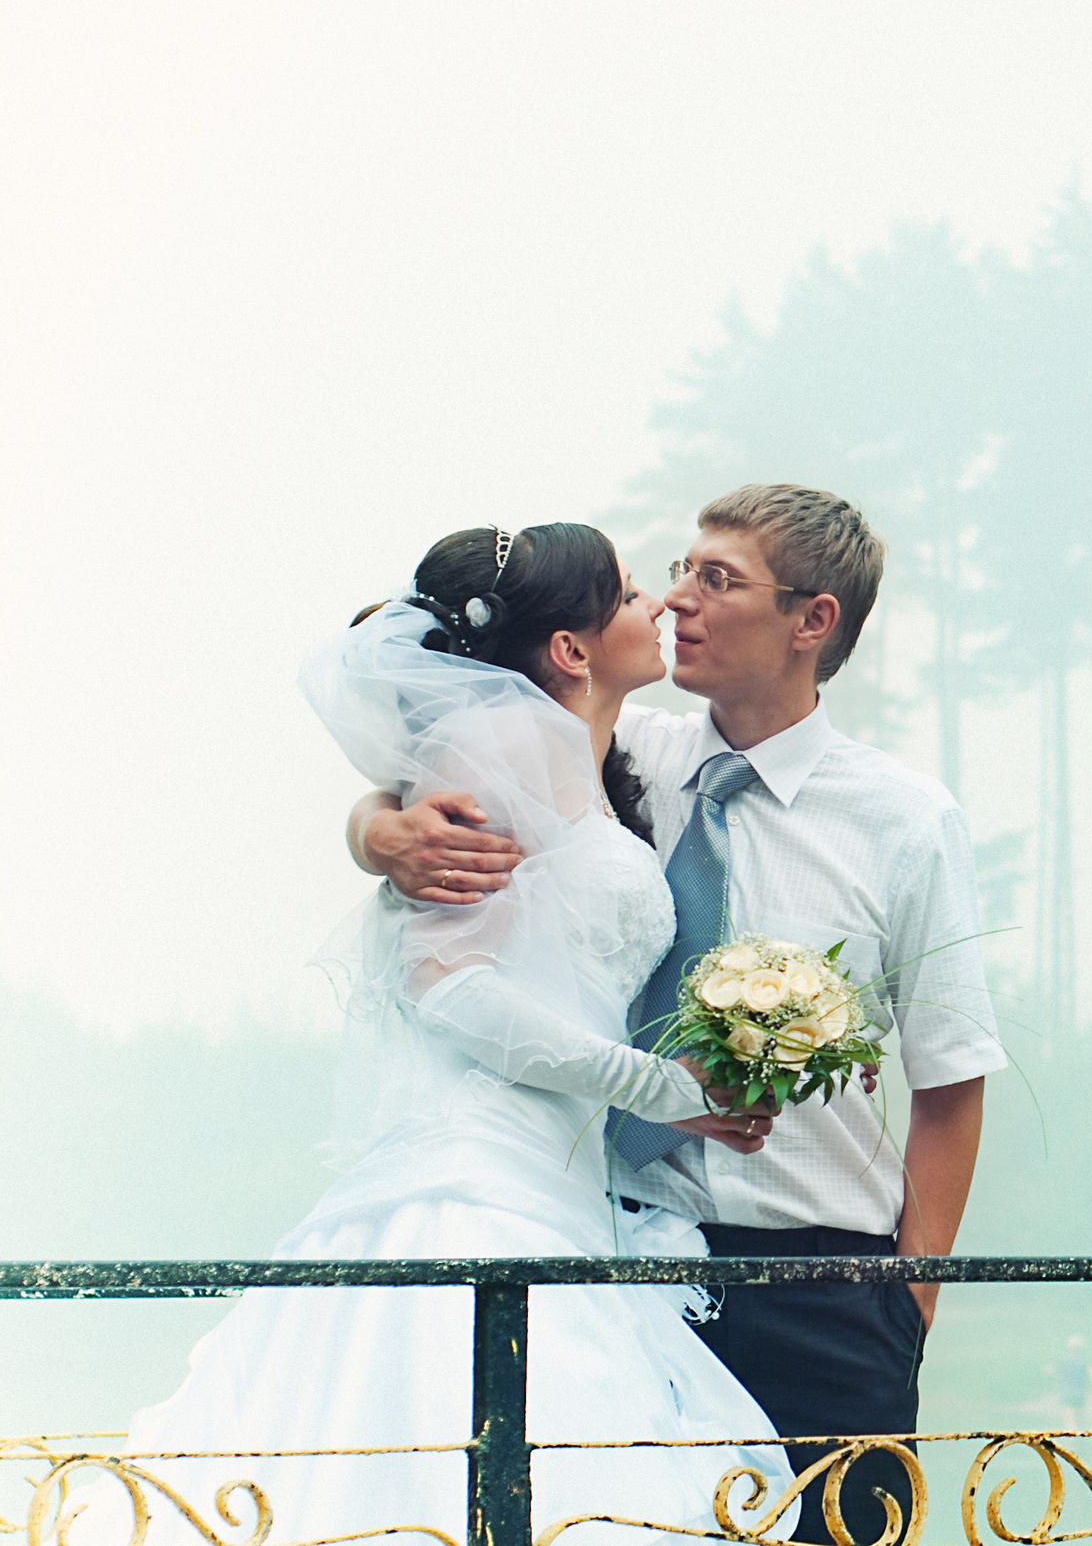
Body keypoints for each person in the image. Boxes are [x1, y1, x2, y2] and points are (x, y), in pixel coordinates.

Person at [90, 525, 792, 1546]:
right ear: (570, 647)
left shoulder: (609, 759)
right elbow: (447, 986)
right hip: (476, 1182)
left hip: (559, 1186)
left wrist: (373, 824)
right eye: (633, 592)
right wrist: (659, 1086)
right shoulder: (504, 744)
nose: (659, 608)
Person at [355, 484, 1005, 1545]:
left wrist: (904, 1300)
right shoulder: (618, 752)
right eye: (678, 570)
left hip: (825, 1282)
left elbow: (951, 1076)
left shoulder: (904, 819)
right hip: (628, 1260)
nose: (674, 601)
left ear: (812, 621)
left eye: (718, 578)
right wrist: (379, 833)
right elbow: (444, 760)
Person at [1050, 1335, 1092, 1432]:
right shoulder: (1084, 1361)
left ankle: (1071, 1444)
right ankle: (1079, 1444)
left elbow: (1049, 1371)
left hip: (1067, 1395)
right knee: (1080, 1424)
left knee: (1070, 1424)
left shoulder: (1063, 1361)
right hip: (1080, 1395)